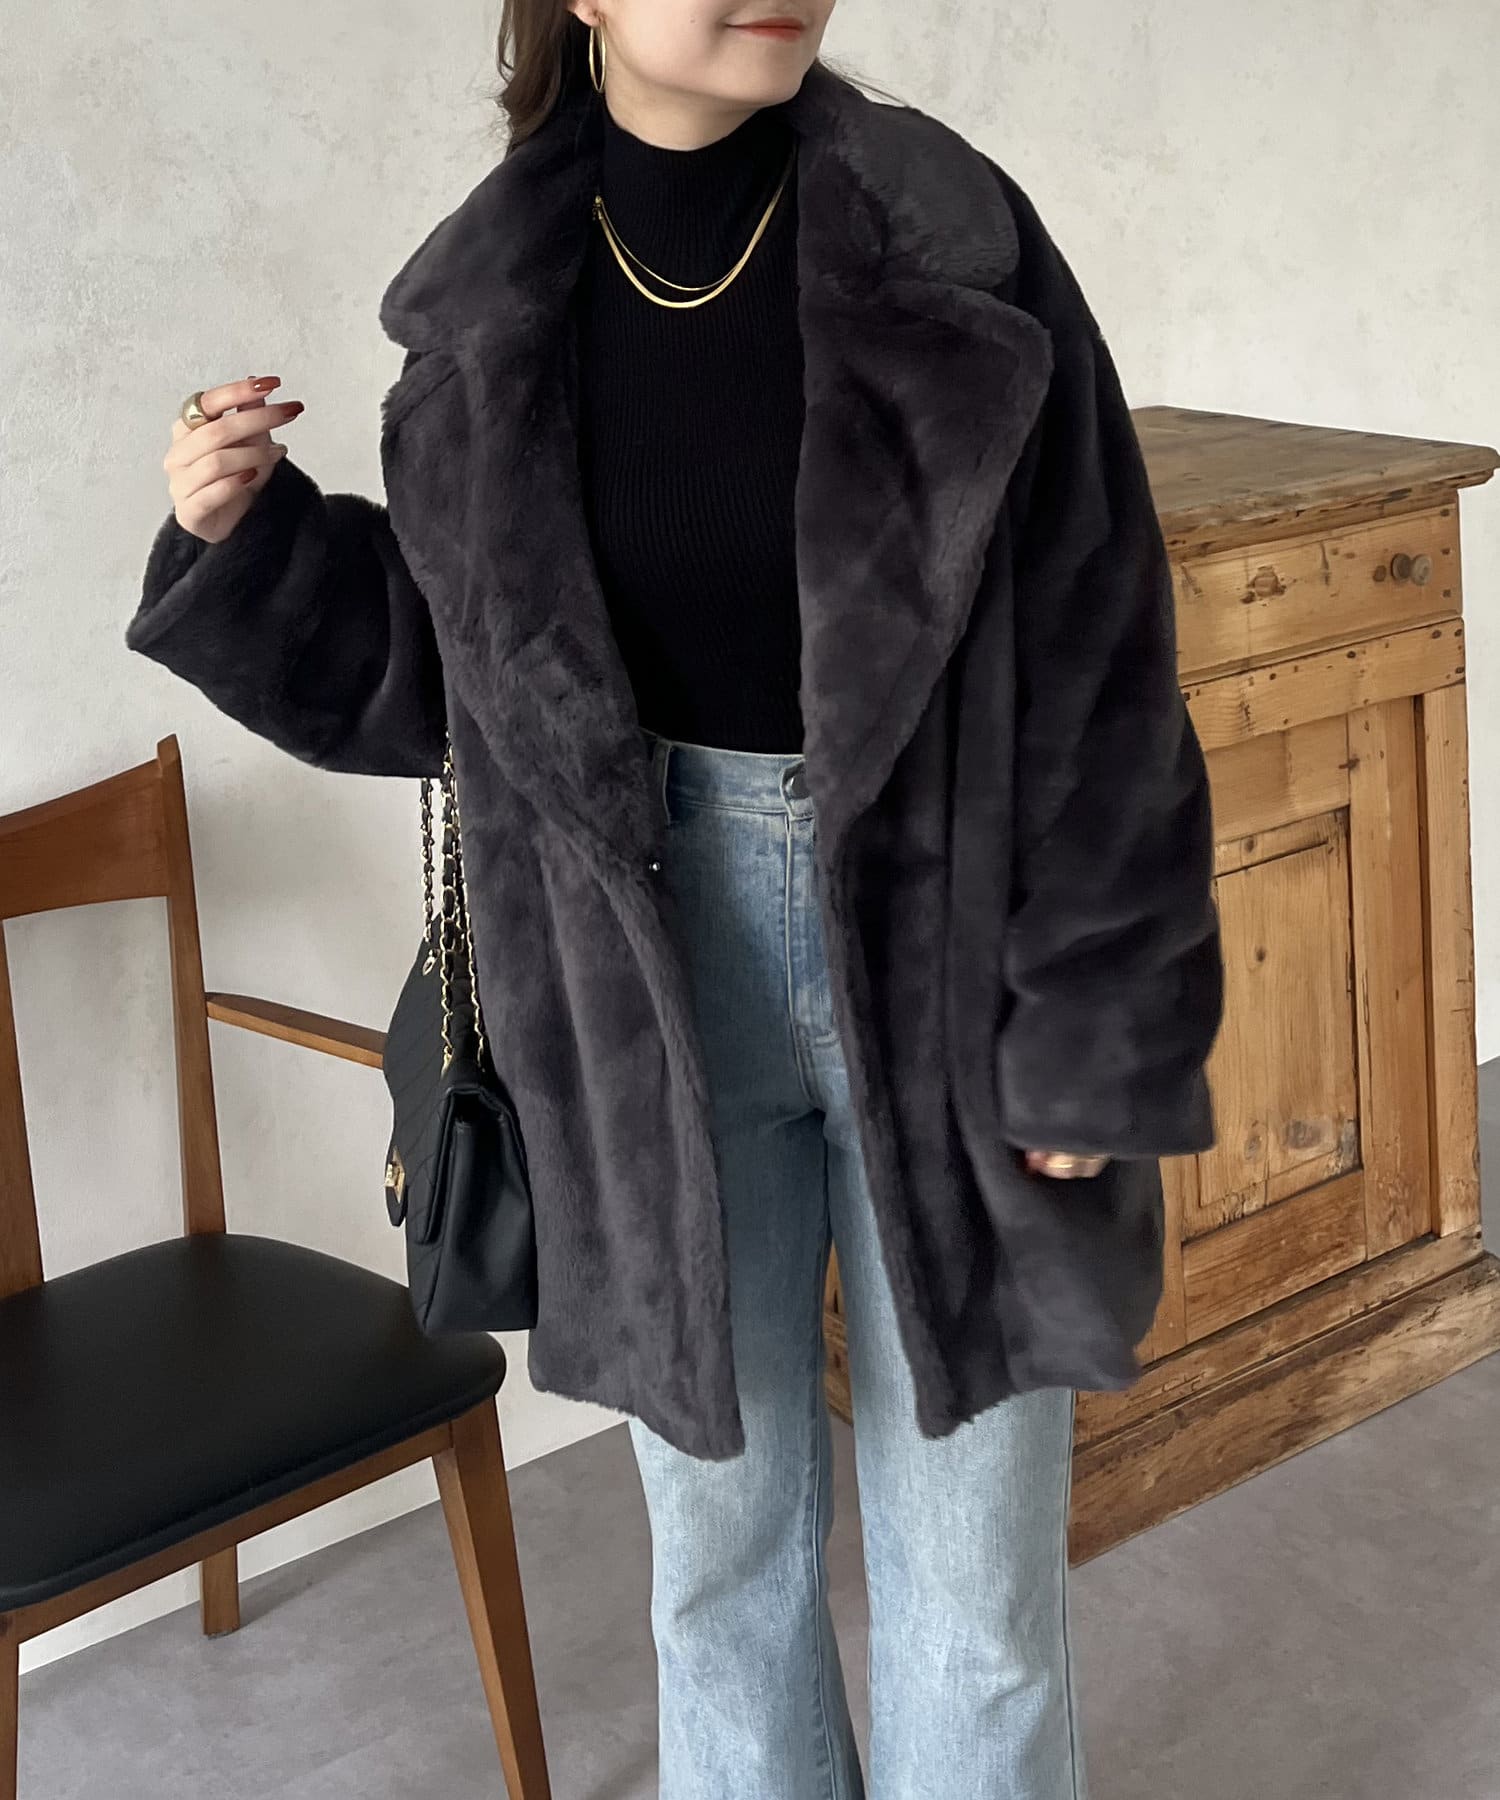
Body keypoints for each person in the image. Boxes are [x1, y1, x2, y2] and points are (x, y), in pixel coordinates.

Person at [127, 3, 1223, 1795]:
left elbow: (1101, 650)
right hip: (639, 982)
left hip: (948, 957)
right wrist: (250, 550)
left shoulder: (956, 246)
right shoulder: (495, 312)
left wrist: (1093, 1022)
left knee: (980, 1598)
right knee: (721, 1569)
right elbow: (465, 685)